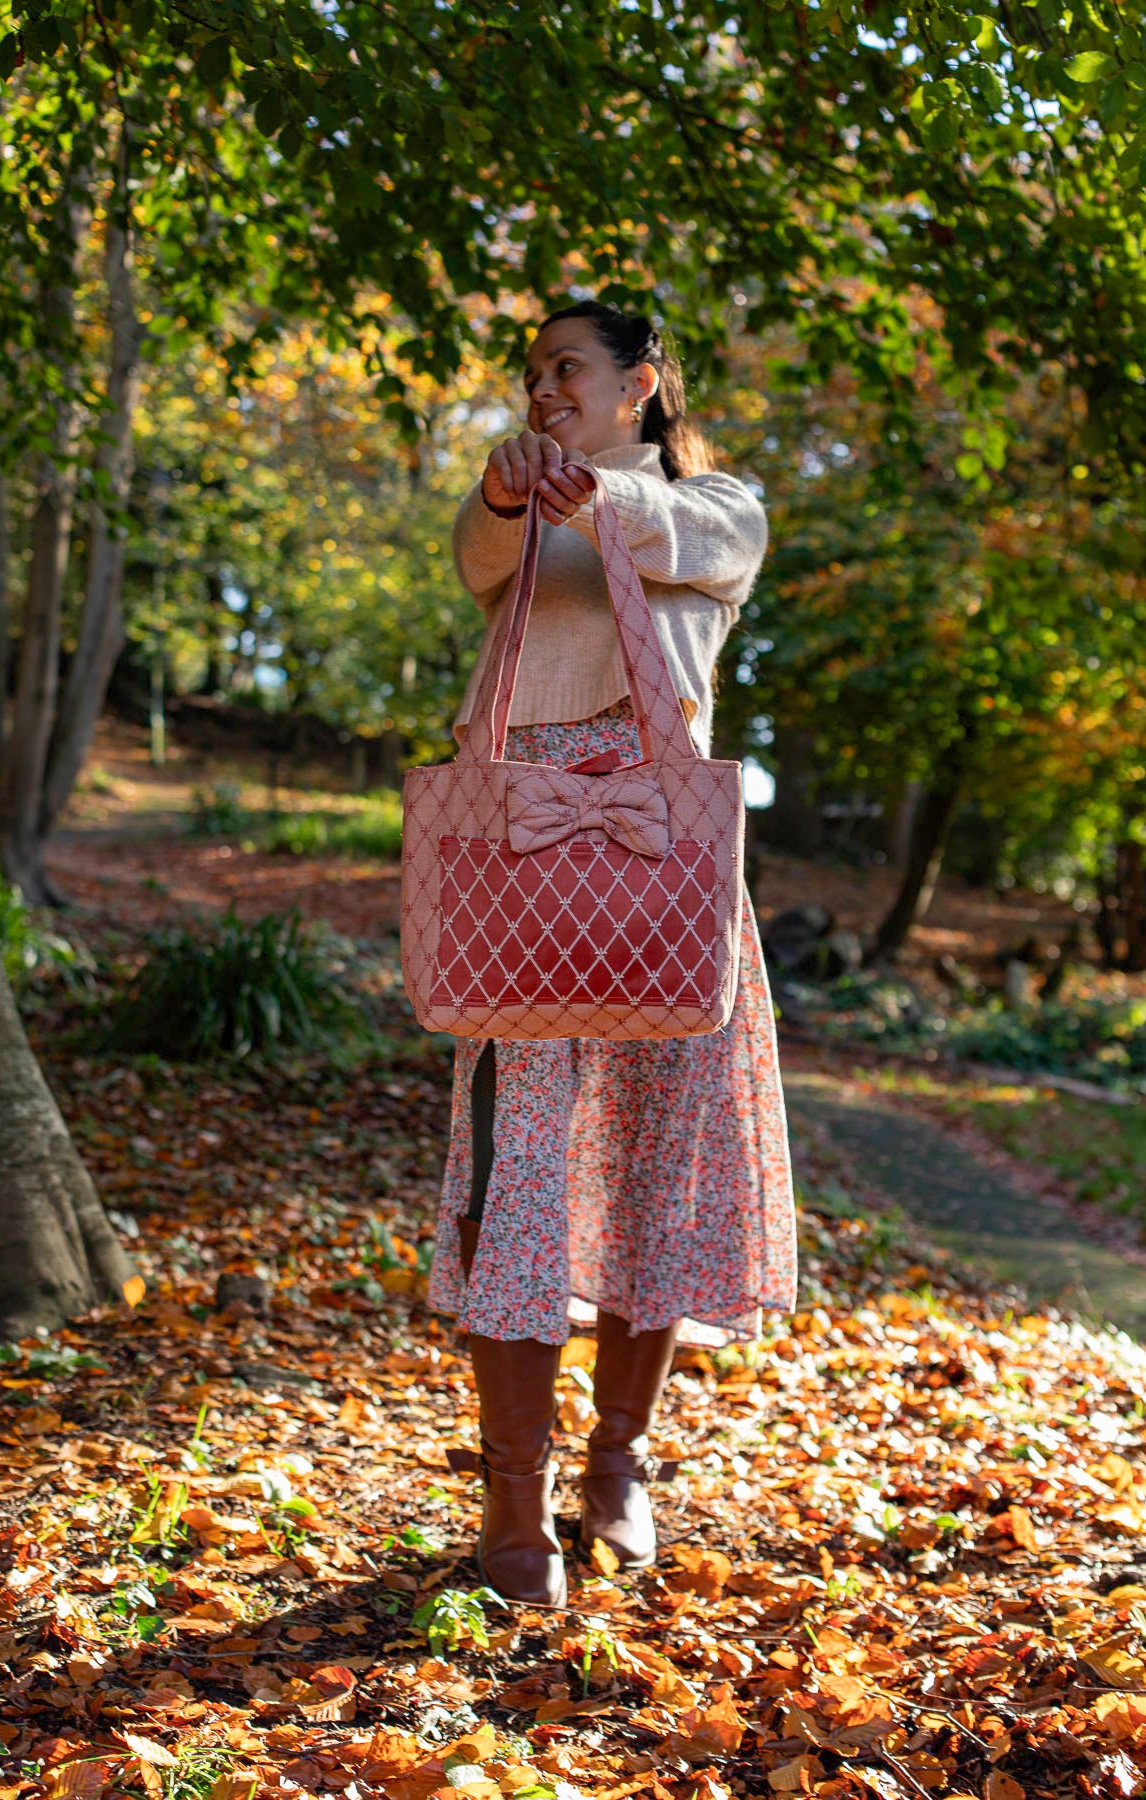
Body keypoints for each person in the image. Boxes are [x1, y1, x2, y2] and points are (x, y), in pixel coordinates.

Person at [428, 300, 797, 1609]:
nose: (543, 391)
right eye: (532, 375)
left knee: (660, 1177)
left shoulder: (721, 505)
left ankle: (617, 1467)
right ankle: (514, 1508)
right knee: (517, 1178)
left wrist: (583, 490)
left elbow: (672, 535)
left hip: (662, 865)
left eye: (566, 370)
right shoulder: (516, 513)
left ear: (641, 384)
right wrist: (505, 488)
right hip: (520, 860)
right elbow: (481, 566)